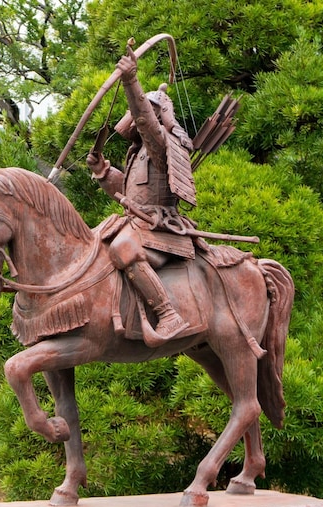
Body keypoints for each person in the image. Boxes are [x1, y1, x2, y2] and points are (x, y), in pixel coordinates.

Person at [86, 47, 198, 343]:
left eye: (140, 112)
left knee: (123, 249)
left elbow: (146, 121)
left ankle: (168, 315)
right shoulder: (138, 151)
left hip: (161, 226)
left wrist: (131, 81)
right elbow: (128, 191)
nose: (133, 119)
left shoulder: (162, 144)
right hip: (136, 223)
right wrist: (103, 173)